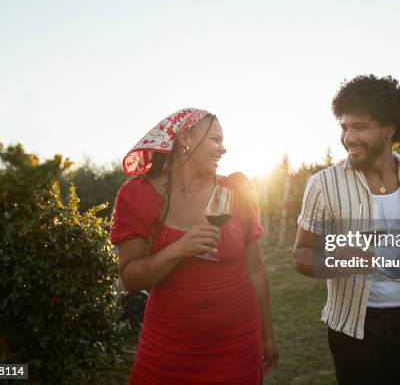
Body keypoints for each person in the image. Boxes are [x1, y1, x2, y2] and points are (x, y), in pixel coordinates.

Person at [293, 75, 400, 384]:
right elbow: (301, 255)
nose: (348, 138)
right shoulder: (323, 184)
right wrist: (339, 259)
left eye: (360, 127)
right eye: (344, 127)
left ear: (388, 130)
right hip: (355, 331)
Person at [111, 108, 278, 384]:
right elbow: (130, 279)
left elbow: (256, 270)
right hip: (169, 346)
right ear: (185, 138)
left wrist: (268, 337)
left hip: (237, 343)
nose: (223, 149)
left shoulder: (235, 190)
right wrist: (179, 248)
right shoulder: (137, 196)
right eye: (215, 139)